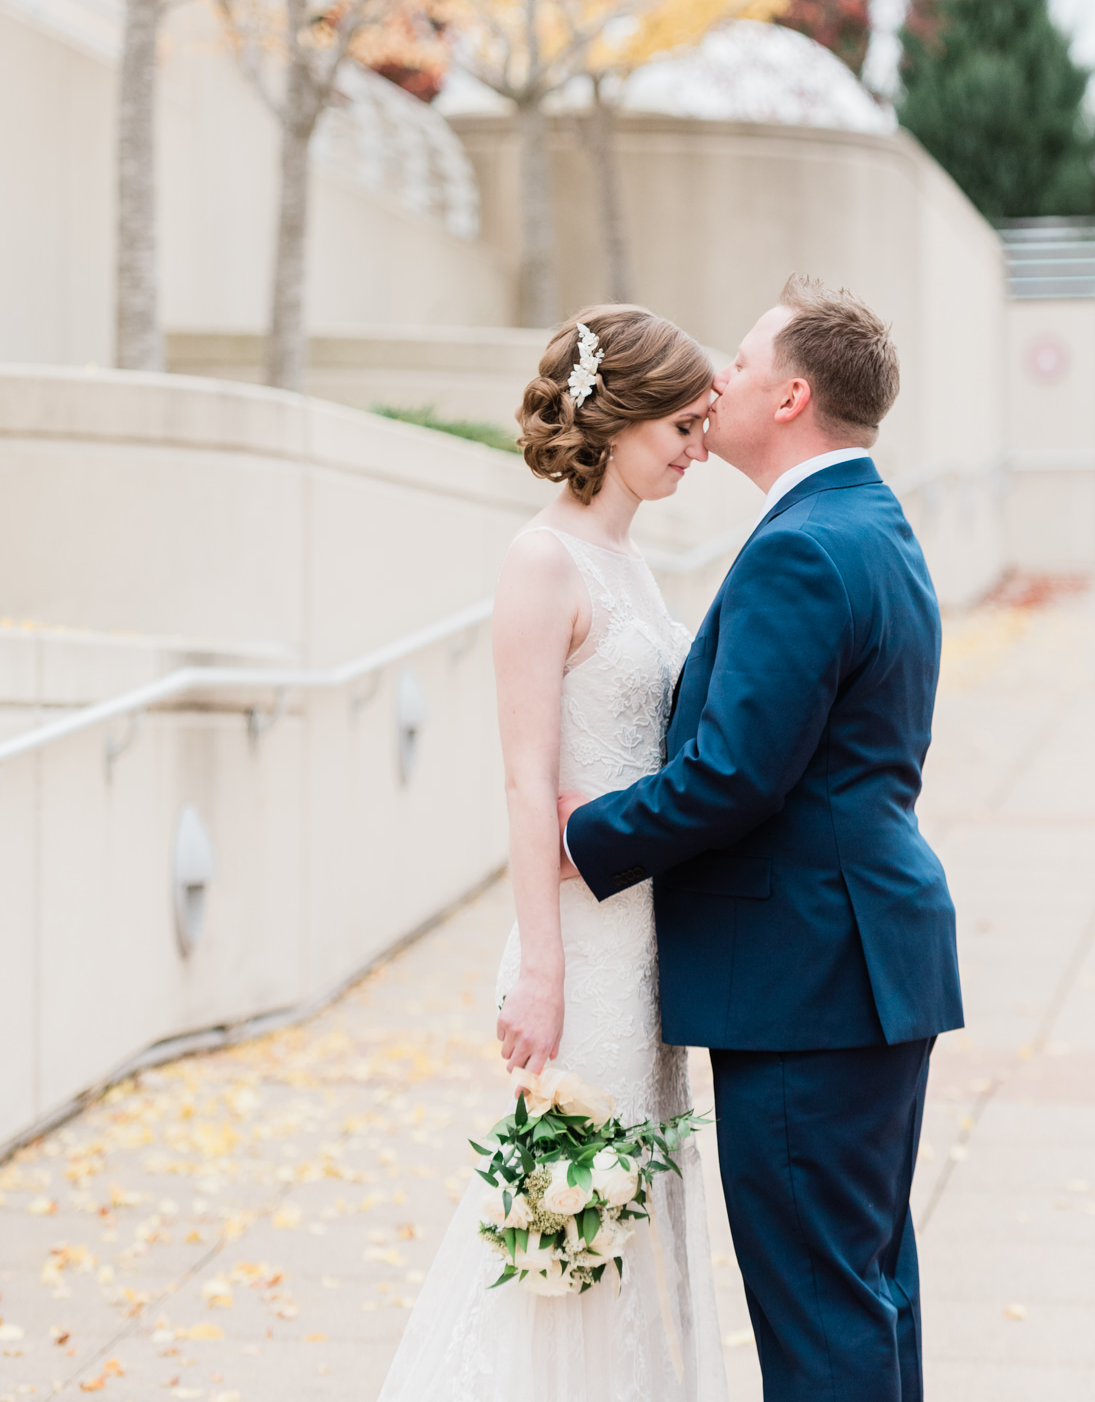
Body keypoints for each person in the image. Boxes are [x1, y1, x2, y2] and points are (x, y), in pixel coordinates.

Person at [561, 275, 963, 1402]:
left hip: (807, 982)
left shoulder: (801, 547)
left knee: (821, 1311)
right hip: (863, 963)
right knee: (866, 1284)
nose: (716, 380)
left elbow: (732, 777)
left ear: (789, 398)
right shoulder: (869, 523)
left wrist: (579, 838)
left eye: (738, 364)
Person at [376, 304, 728, 1402]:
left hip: (644, 943)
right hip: (575, 951)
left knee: (639, 1217)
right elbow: (527, 776)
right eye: (681, 424)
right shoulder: (540, 561)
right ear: (617, 415)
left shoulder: (635, 563)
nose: (697, 447)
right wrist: (539, 971)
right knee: (576, 1225)